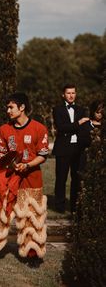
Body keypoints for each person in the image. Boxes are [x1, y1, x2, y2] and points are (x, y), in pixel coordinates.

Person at [0, 93, 49, 268]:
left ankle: (32, 253)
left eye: (11, 107)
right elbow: (3, 152)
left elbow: (43, 155)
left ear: (22, 107)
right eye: (7, 107)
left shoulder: (39, 128)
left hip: (30, 180)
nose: (8, 110)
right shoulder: (4, 129)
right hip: (7, 180)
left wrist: (28, 165)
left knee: (31, 218)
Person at [52, 84, 89, 213]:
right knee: (61, 178)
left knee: (76, 178)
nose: (71, 95)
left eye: (73, 93)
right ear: (63, 95)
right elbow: (61, 128)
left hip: (77, 148)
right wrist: (78, 123)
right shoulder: (57, 109)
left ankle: (74, 206)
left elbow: (83, 129)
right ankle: (59, 207)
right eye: (68, 93)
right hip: (63, 148)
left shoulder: (81, 110)